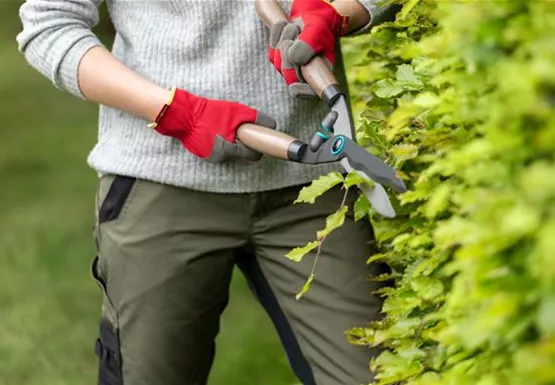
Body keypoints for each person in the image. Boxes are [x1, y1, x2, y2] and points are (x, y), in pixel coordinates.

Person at [16, 1, 397, 384]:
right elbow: (50, 23)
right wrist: (175, 111)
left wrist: (336, 12)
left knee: (377, 374)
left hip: (315, 194)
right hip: (161, 188)